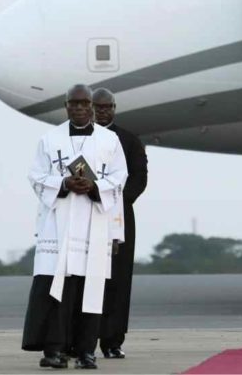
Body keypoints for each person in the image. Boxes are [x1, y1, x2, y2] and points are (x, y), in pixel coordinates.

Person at [22, 84, 128, 370]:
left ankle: (85, 351)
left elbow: (120, 179)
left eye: (85, 103)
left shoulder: (109, 140)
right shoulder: (49, 139)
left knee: (89, 289)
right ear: (66, 105)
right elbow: (35, 176)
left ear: (92, 106)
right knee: (57, 289)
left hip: (95, 222)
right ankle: (54, 349)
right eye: (74, 103)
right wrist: (63, 183)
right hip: (58, 225)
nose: (80, 108)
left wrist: (95, 186)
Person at [92, 88, 148, 359]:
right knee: (86, 280)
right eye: (98, 107)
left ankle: (113, 341)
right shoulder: (77, 139)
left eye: (107, 107)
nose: (103, 111)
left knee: (118, 280)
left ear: (114, 108)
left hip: (119, 217)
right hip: (85, 215)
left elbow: (140, 177)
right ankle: (82, 340)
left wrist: (115, 201)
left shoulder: (128, 139)